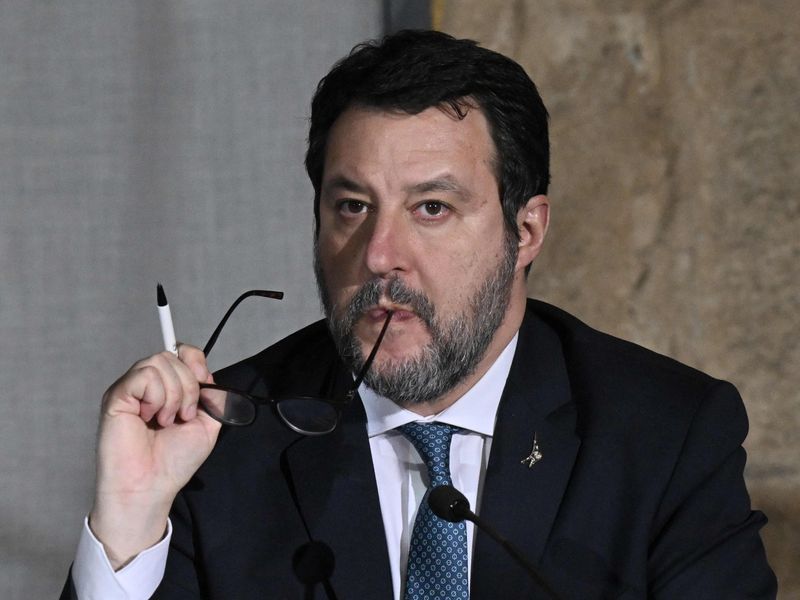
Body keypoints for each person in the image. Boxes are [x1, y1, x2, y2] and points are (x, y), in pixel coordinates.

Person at [62, 30, 776, 599]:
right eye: (352, 207)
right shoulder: (223, 437)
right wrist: (129, 519)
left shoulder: (664, 436)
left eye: (431, 208)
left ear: (526, 231)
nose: (379, 255)